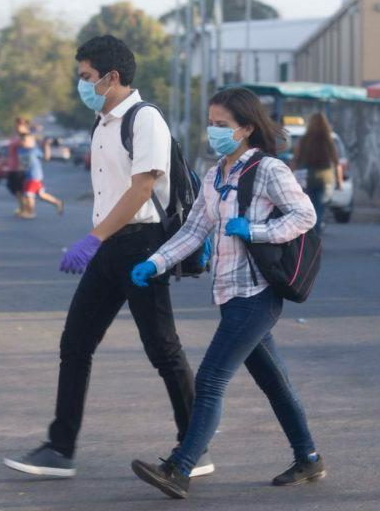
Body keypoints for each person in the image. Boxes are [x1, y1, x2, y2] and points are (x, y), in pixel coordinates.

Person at [3, 35, 212, 478]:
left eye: (86, 77)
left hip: (142, 245)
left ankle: (194, 446)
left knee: (162, 348)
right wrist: (97, 238)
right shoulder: (102, 124)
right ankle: (60, 448)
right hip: (110, 245)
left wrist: (92, 238)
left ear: (111, 77)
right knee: (75, 343)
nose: (82, 85)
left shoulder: (144, 118)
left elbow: (142, 187)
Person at [129, 87, 323, 499]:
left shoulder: (268, 170)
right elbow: (194, 229)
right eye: (211, 123)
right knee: (274, 382)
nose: (213, 131)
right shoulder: (216, 174)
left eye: (223, 125)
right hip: (228, 292)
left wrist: (256, 230)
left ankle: (180, 468)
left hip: (257, 293)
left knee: (212, 378)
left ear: (247, 128)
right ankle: (308, 457)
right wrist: (156, 262)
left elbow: (304, 215)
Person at [292, 112, 342, 234]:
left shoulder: (303, 140)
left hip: (307, 177)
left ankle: (308, 232)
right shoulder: (328, 140)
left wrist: (290, 176)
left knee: (308, 205)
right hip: (324, 177)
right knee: (319, 206)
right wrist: (339, 182)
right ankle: (316, 232)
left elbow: (296, 159)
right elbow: (336, 162)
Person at [17, 133, 64, 219]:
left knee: (29, 194)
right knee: (41, 195)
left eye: (26, 140)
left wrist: (46, 146)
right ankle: (57, 202)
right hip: (27, 176)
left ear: (32, 142)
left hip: (34, 176)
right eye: (22, 140)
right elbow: (22, 163)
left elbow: (46, 158)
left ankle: (31, 212)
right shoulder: (20, 150)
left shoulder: (34, 150)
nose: (24, 142)